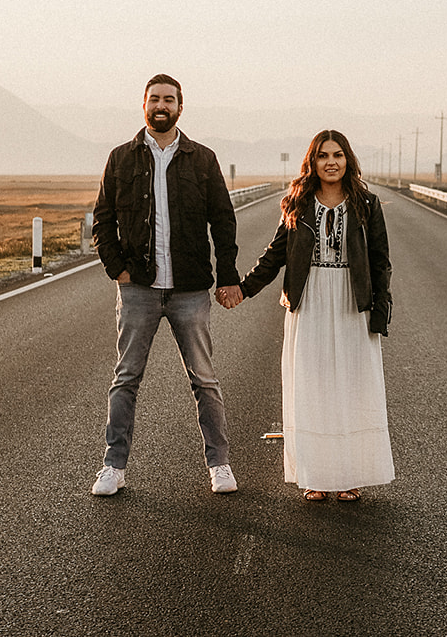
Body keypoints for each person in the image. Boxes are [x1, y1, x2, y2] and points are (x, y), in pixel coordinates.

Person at [89, 74, 243, 496]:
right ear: (143, 105)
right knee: (126, 377)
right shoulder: (121, 158)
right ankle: (113, 466)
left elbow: (223, 220)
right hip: (137, 288)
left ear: (180, 107)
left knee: (204, 379)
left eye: (169, 99)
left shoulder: (202, 159)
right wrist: (116, 269)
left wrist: (227, 276)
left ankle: (219, 464)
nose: (162, 105)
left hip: (189, 289)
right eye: (154, 98)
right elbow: (102, 219)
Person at [236, 129, 394, 501]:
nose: (331, 162)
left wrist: (380, 312)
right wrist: (244, 288)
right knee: (313, 387)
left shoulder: (366, 205)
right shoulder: (298, 204)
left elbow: (380, 262)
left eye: (337, 155)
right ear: (313, 162)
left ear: (348, 159)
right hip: (309, 302)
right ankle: (317, 476)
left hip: (352, 302)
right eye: (323, 156)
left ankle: (350, 474)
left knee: (351, 388)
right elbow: (276, 254)